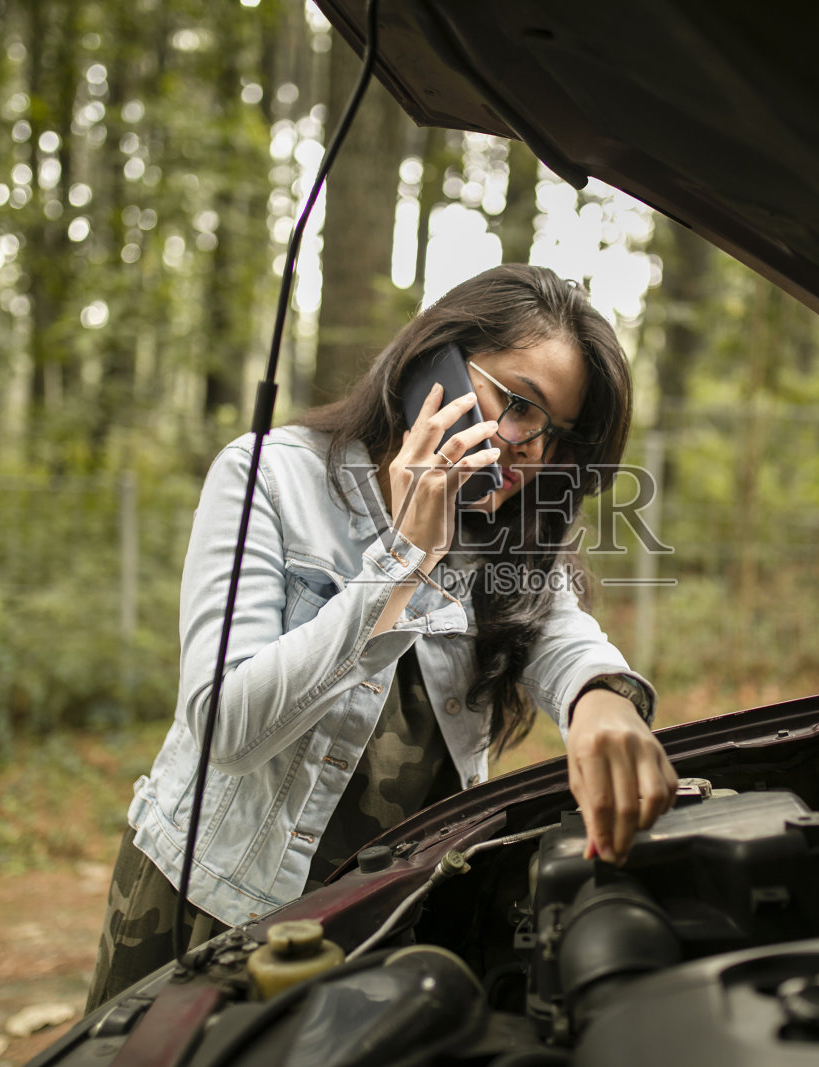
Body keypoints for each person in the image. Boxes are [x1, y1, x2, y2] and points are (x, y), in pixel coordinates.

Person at [86, 264, 678, 1009]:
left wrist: (604, 699)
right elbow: (225, 728)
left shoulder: (502, 534)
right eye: (520, 405)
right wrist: (402, 558)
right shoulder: (268, 477)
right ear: (434, 361)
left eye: (557, 435)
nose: (531, 449)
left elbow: (566, 637)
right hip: (210, 902)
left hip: (389, 923)